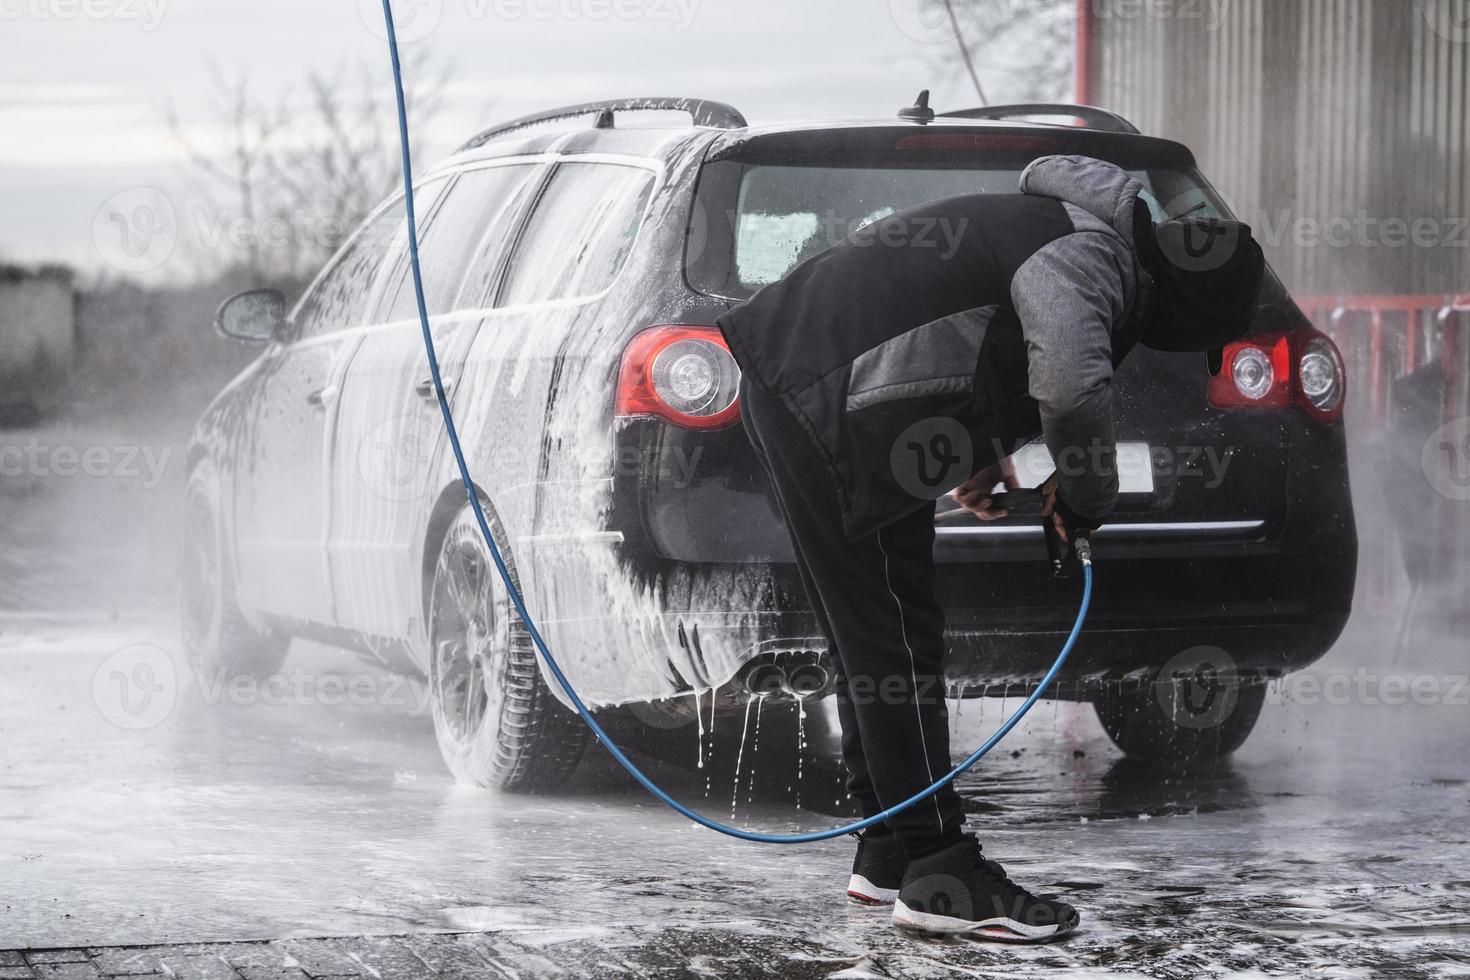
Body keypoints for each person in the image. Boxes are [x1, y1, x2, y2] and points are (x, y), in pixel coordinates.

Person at [717, 155, 1265, 940]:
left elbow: (960, 329)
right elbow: (1070, 390)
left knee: (882, 629)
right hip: (826, 396)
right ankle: (940, 870)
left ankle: (890, 847)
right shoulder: (1088, 254)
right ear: (1185, 304)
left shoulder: (1078, 234)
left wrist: (974, 457)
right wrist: (1083, 500)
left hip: (820, 386)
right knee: (893, 633)